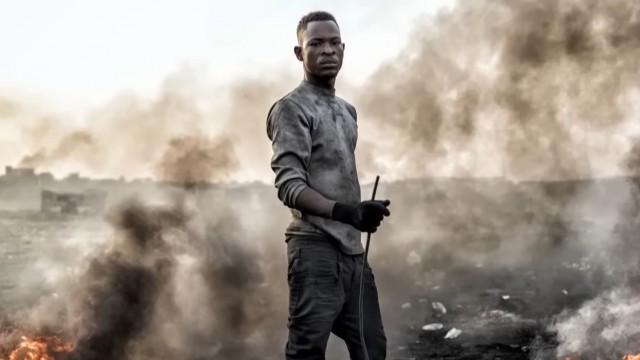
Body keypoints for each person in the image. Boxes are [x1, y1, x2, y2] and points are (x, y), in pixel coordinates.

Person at [266, 10, 391, 360]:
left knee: (372, 347)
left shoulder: (347, 111)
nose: (327, 51)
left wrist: (365, 211)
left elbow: (335, 176)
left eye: (334, 43)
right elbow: (289, 186)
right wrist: (348, 212)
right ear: (299, 53)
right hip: (315, 249)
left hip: (353, 253)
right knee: (308, 350)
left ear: (344, 49)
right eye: (316, 43)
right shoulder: (291, 109)